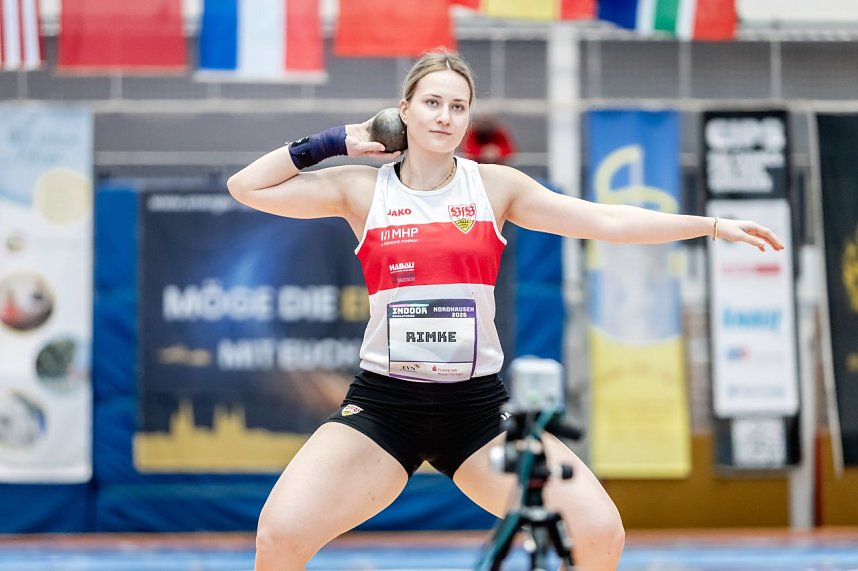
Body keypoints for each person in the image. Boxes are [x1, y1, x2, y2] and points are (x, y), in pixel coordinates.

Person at [227, 49, 784, 571]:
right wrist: (338, 140)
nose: (444, 116)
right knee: (279, 534)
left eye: (457, 106)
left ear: (467, 119)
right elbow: (246, 186)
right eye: (431, 102)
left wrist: (708, 225)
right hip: (385, 405)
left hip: (476, 412)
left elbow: (606, 220)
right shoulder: (361, 190)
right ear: (403, 111)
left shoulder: (494, 187)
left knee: (600, 532)